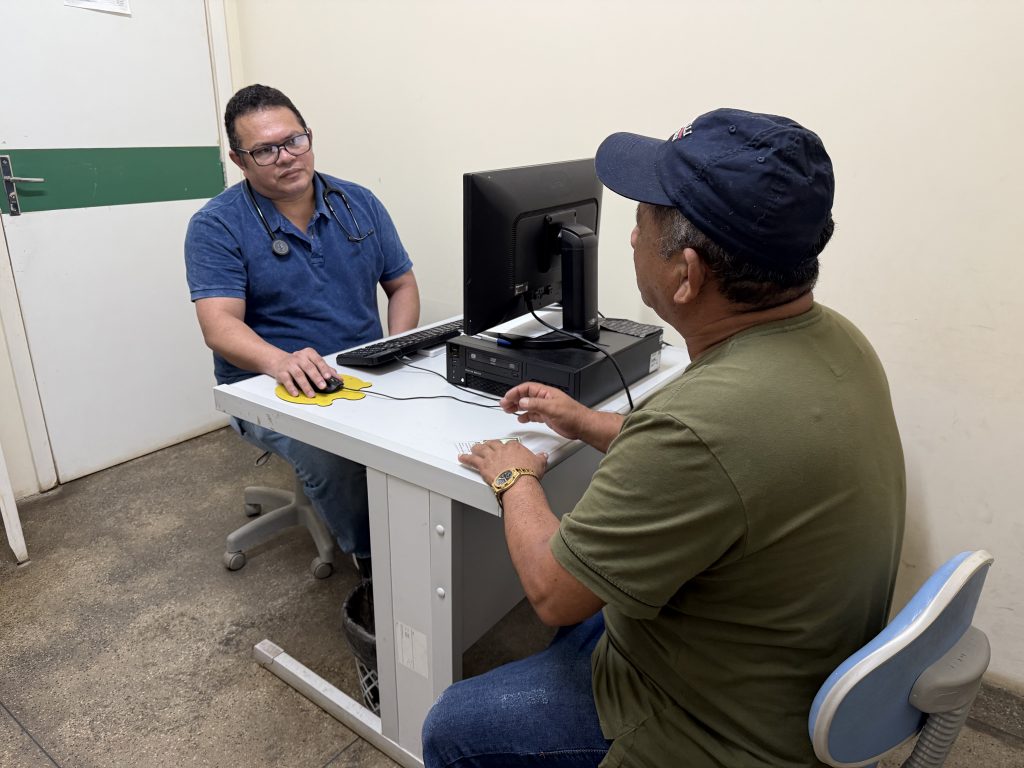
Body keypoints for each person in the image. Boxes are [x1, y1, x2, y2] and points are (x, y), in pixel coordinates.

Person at [421, 108, 906, 767]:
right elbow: (727, 466)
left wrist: (516, 478)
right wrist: (585, 421)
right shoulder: (837, 340)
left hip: (712, 732)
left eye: (644, 221)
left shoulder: (696, 426)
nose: (629, 236)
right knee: (586, 624)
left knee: (451, 727)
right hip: (781, 673)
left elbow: (554, 591)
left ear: (686, 273)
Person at [184, 84, 420, 568]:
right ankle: (375, 565)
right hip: (265, 385)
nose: (286, 157)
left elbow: (402, 285)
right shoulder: (216, 226)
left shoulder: (359, 203)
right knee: (333, 458)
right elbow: (219, 326)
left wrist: (395, 345)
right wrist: (279, 361)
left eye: (294, 140)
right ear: (239, 160)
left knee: (428, 423)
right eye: (265, 150)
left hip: (360, 369)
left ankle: (425, 547)